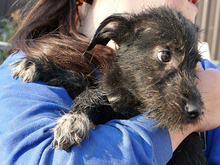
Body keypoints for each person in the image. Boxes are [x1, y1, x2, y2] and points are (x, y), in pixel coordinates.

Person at [0, 0, 220, 164]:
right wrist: (175, 131)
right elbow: (42, 158)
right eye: (165, 56)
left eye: (190, 65)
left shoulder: (210, 76)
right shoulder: (32, 66)